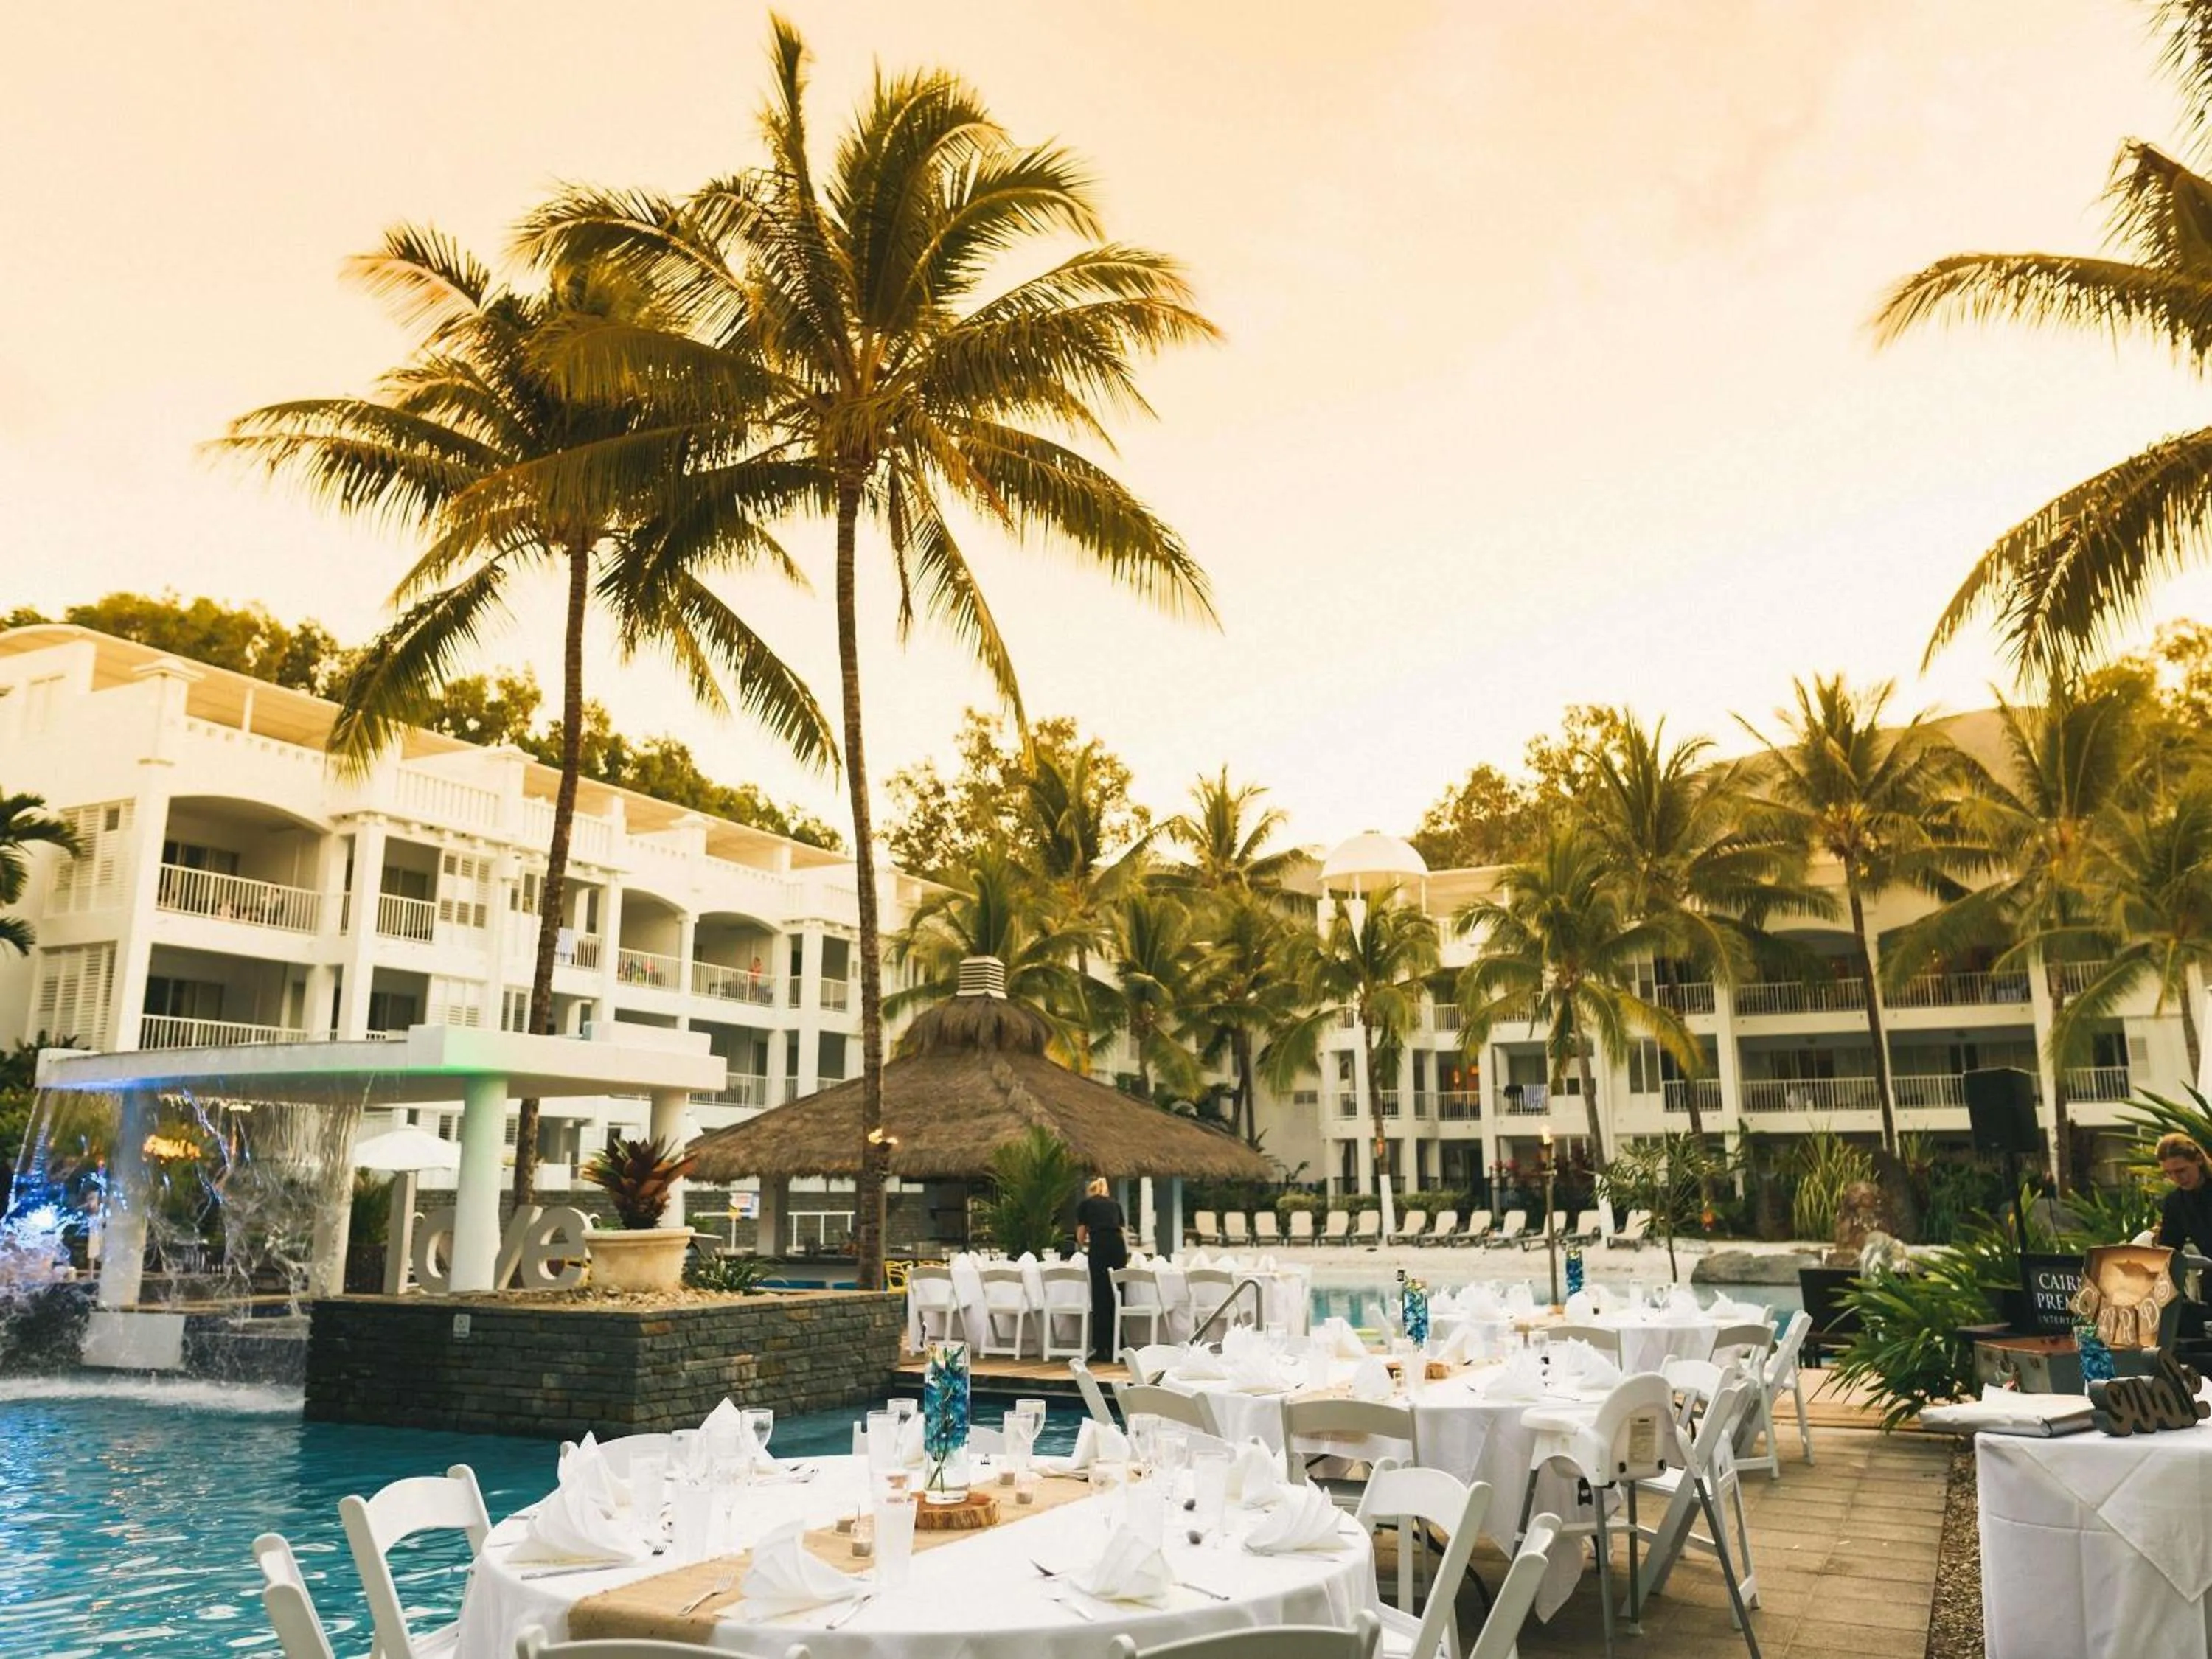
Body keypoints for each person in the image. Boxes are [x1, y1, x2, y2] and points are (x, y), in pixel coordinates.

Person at [1074, 1177, 1127, 1363]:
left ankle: (1101, 1347)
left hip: (1100, 1246)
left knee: (1100, 1295)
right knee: (1118, 1294)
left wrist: (1085, 1241)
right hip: (1118, 1248)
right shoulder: (1115, 1205)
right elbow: (1122, 1232)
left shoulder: (1086, 1205)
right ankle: (1118, 1345)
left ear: (1090, 1191)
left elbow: (1081, 1237)